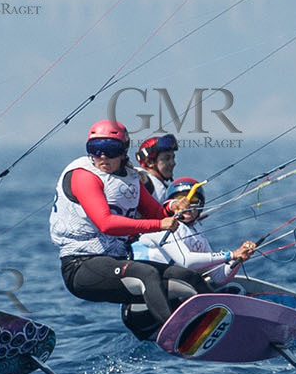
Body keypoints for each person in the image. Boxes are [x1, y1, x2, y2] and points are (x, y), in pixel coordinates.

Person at [50, 120, 210, 334]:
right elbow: (106, 224)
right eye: (95, 150)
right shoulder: (84, 175)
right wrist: (159, 224)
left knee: (190, 277)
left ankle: (226, 322)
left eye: (110, 150)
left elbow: (155, 212)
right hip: (81, 266)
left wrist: (173, 206)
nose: (102, 157)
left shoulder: (131, 177)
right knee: (147, 273)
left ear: (123, 151)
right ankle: (177, 333)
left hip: (115, 261)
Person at [133, 178, 258, 288]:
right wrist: (231, 255)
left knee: (194, 280)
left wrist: (239, 258)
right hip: (146, 287)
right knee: (194, 278)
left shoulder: (198, 236)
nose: (187, 205)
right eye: (180, 200)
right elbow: (186, 262)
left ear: (200, 205)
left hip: (174, 288)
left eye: (193, 200)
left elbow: (219, 278)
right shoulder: (162, 225)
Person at [135, 133, 178, 202]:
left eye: (173, 158)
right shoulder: (142, 180)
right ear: (150, 162)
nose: (173, 163)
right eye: (167, 158)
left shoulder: (161, 187)